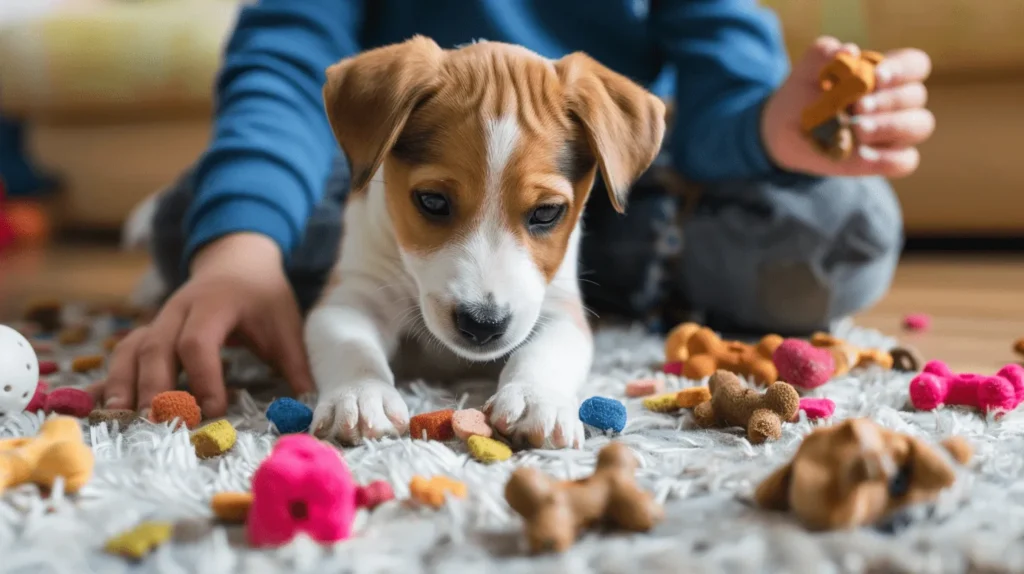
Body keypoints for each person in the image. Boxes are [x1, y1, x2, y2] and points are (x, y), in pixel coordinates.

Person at [98, 0, 934, 417]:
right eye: (438, 205)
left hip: (616, 178)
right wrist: (240, 247)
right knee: (224, 214)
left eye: (539, 217)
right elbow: (287, 60)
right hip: (369, 172)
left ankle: (568, 228)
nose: (485, 297)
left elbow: (719, 88)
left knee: (846, 224)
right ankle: (250, 232)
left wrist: (765, 127)